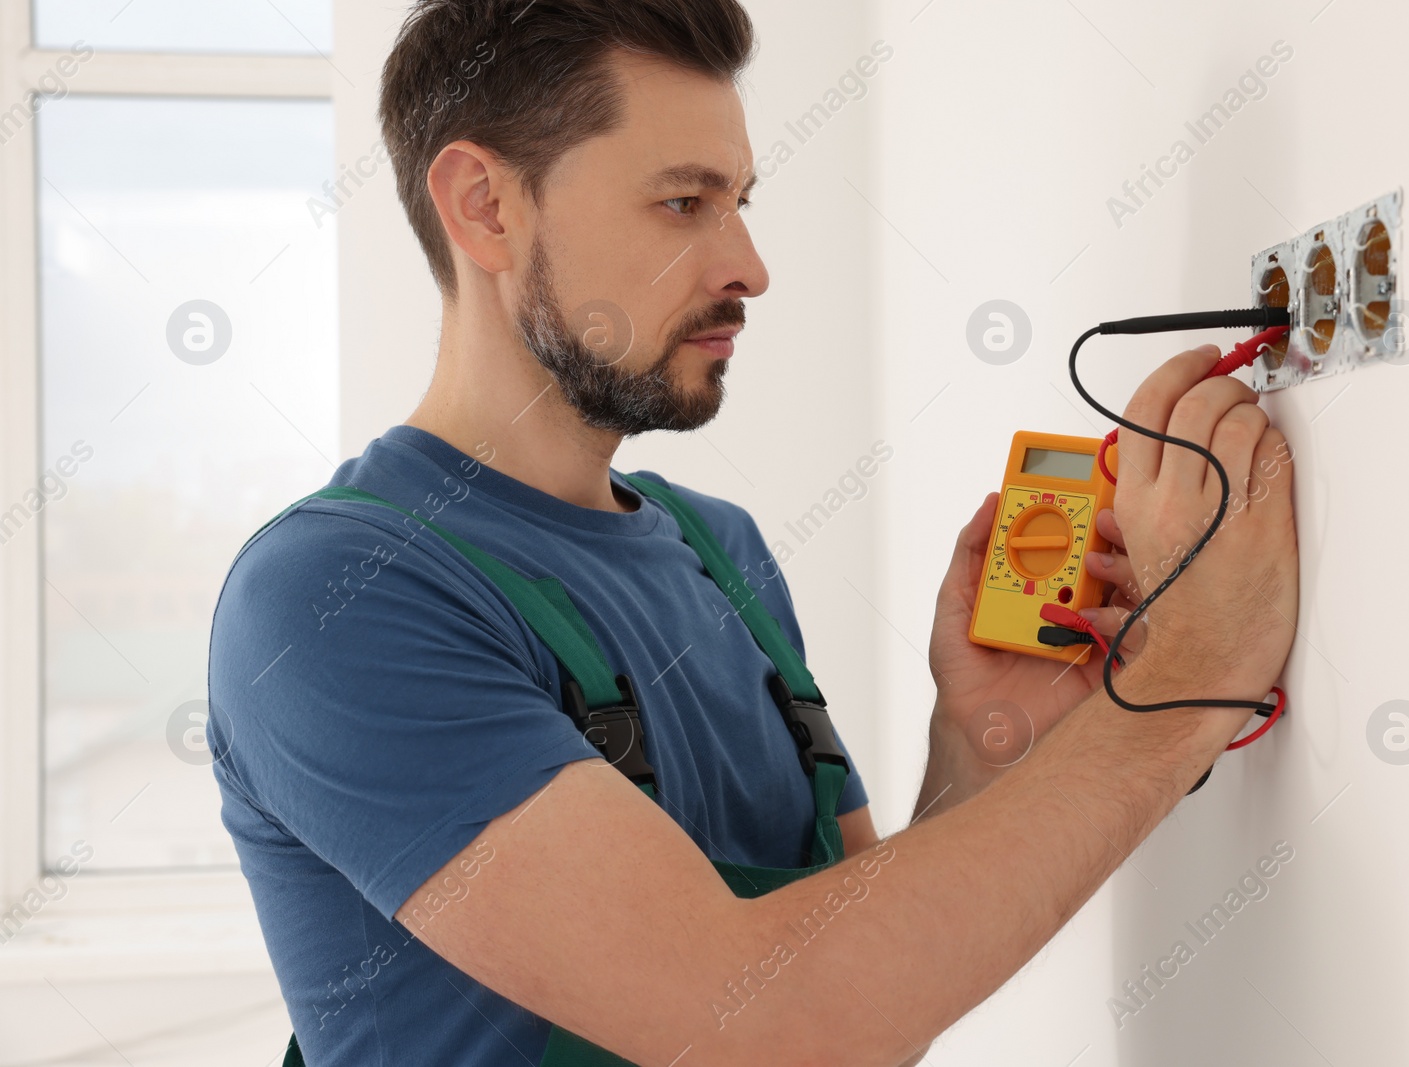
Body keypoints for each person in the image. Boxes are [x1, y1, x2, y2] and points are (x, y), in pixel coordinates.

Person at [205, 1, 1299, 1064]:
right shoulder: (336, 597)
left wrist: (980, 747)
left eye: (738, 199)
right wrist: (1189, 681)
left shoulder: (716, 551)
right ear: (486, 206)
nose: (749, 266)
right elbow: (756, 1026)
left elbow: (858, 1018)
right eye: (683, 203)